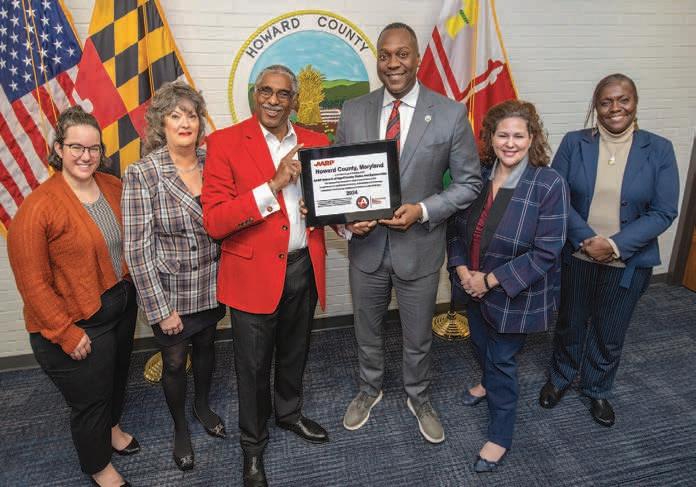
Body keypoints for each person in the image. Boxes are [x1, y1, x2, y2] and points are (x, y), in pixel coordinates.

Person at [335, 22, 481, 444]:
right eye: (385, 55)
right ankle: (369, 389)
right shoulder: (354, 110)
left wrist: (423, 210)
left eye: (402, 54)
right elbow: (339, 179)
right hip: (365, 249)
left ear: (417, 59)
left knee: (417, 337)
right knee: (366, 332)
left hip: (420, 248)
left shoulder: (450, 113)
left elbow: (469, 183)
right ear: (377, 60)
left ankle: (419, 396)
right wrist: (348, 218)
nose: (393, 63)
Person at [201, 65, 330, 487]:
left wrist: (328, 214)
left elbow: (329, 202)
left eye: (282, 93)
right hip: (252, 274)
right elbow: (216, 221)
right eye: (265, 91)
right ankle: (253, 446)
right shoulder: (224, 143)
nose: (273, 100)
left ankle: (289, 413)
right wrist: (272, 185)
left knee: (295, 352)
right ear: (255, 94)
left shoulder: (316, 142)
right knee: (253, 368)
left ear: (295, 100)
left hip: (303, 267)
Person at [7, 106, 138, 487]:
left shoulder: (113, 186)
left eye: (94, 148)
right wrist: (65, 332)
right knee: (91, 399)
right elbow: (32, 284)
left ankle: (112, 428)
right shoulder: (38, 207)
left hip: (120, 306)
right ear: (59, 149)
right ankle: (99, 466)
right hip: (77, 322)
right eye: (76, 147)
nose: (86, 156)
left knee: (116, 378)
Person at [539, 73, 680, 427]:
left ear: (635, 102)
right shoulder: (574, 143)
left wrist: (614, 245)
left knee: (610, 329)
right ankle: (560, 377)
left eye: (623, 99)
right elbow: (557, 196)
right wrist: (588, 239)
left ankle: (597, 388)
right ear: (596, 107)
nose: (615, 107)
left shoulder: (659, 149)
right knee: (570, 322)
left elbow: (663, 211)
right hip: (578, 253)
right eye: (606, 102)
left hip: (628, 261)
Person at [447, 100, 568, 472]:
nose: (510, 143)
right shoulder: (479, 176)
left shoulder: (548, 183)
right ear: (491, 138)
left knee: (501, 361)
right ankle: (485, 383)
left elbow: (547, 251)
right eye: (503, 135)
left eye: (518, 135)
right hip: (472, 284)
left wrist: (489, 280)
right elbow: (456, 230)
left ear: (532, 138)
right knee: (479, 344)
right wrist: (462, 269)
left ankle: (499, 436)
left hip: (515, 293)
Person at [122, 81, 226, 471]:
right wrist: (160, 309)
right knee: (174, 362)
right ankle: (180, 427)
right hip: (170, 292)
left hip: (212, 284)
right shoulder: (142, 173)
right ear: (160, 124)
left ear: (200, 122)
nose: (185, 123)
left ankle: (202, 406)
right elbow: (137, 249)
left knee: (208, 347)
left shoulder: (214, 161)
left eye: (192, 115)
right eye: (175, 115)